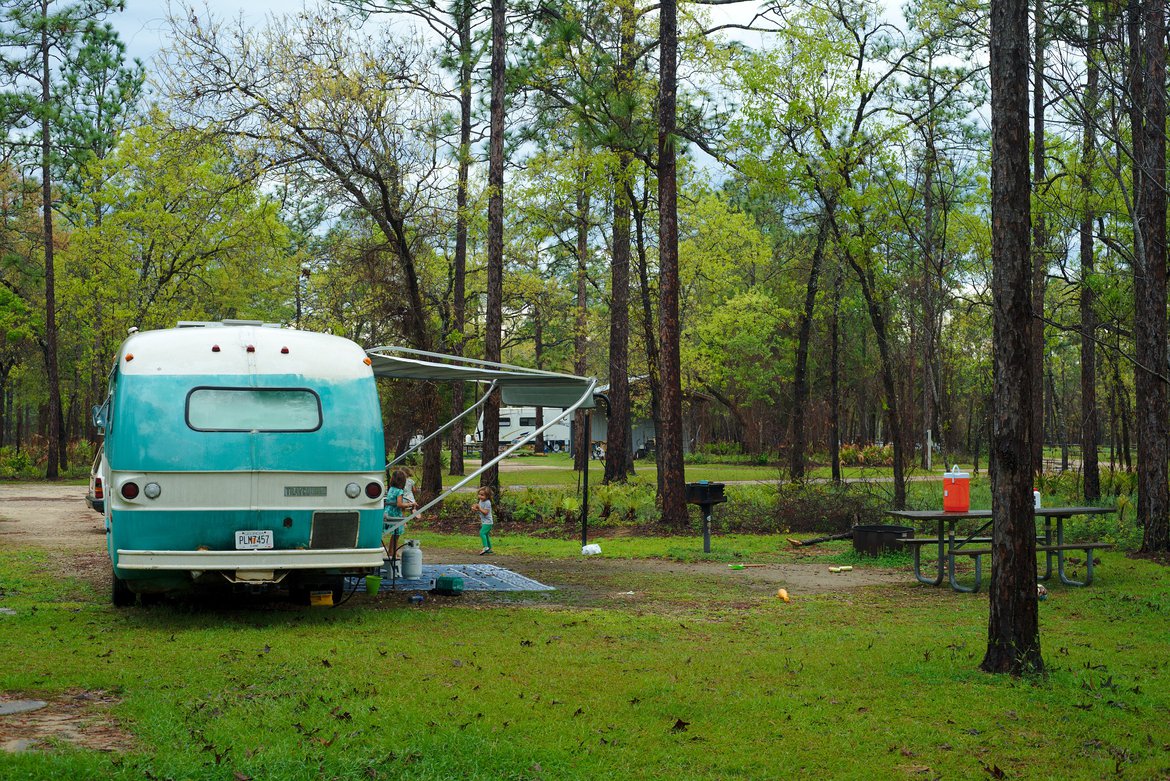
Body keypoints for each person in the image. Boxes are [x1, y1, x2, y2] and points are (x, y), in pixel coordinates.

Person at [383, 470, 417, 555]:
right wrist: (411, 504)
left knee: (394, 534)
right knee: (396, 534)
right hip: (395, 514)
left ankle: (391, 551)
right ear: (403, 481)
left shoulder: (391, 489)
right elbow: (399, 504)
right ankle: (393, 552)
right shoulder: (399, 491)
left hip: (387, 512)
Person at [473, 486, 494, 555]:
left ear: (487, 496)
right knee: (486, 534)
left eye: (482, 495)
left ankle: (485, 547)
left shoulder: (487, 502)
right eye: (479, 494)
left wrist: (479, 508)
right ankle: (489, 548)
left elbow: (485, 512)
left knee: (482, 533)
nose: (480, 496)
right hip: (484, 522)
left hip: (488, 522)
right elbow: (480, 509)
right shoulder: (480, 501)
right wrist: (475, 509)